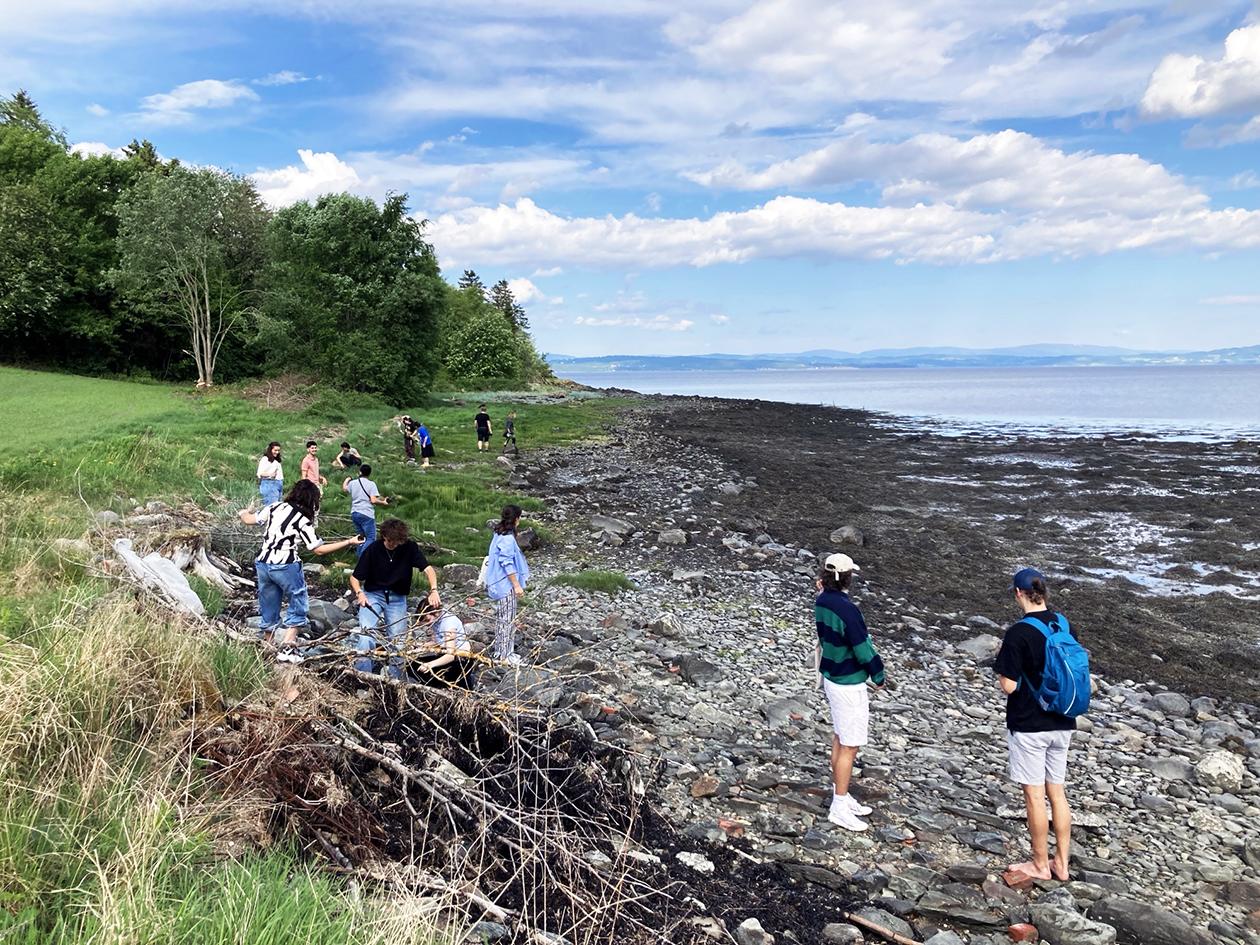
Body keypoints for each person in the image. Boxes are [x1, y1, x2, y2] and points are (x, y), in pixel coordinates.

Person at [994, 567, 1078, 887]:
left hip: (1030, 724)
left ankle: (1041, 864)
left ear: (1018, 593)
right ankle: (1063, 862)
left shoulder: (1019, 633)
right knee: (1057, 791)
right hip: (1063, 720)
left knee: (1034, 795)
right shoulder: (1062, 623)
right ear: (1043, 592)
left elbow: (1010, 686)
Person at [238, 480, 362, 664]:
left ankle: (269, 645)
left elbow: (249, 519)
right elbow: (318, 549)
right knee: (298, 602)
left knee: (268, 602)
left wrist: (243, 512)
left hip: (263, 563)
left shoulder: (274, 507)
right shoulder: (302, 520)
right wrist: (348, 542)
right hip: (286, 564)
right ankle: (289, 644)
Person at [814, 552, 885, 832]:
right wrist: (878, 674)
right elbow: (862, 646)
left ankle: (840, 794)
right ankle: (839, 806)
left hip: (831, 675)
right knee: (850, 745)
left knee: (840, 736)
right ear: (848, 577)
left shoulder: (823, 601)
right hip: (848, 681)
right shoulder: (847, 609)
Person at [349, 518, 441, 678]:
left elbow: (428, 569)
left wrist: (434, 590)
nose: (394, 545)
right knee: (366, 634)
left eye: (397, 542)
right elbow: (354, 578)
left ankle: (396, 680)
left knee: (398, 641)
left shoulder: (409, 548)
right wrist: (359, 593)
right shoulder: (373, 549)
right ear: (384, 536)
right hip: (373, 595)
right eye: (391, 541)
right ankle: (363, 676)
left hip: (397, 598)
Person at [485, 504, 530, 663]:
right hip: (505, 585)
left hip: (497, 583)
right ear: (516, 518)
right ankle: (505, 655)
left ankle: (500, 651)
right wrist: (516, 585)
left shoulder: (498, 533)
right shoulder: (508, 538)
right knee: (507, 619)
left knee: (502, 618)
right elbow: (507, 563)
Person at [413, 602, 477, 688]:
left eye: (427, 620)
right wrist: (420, 647)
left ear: (435, 612)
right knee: (413, 665)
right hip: (446, 653)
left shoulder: (449, 623)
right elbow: (437, 641)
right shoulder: (436, 620)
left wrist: (430, 664)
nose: (427, 623)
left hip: (461, 659)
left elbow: (450, 655)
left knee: (430, 673)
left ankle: (463, 683)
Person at [342, 463, 389, 557]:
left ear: (360, 472)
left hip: (355, 512)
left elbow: (344, 489)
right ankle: (364, 558)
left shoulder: (353, 483)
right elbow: (373, 500)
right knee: (370, 537)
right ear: (369, 473)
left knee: (361, 537)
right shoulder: (371, 484)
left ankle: (359, 558)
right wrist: (383, 502)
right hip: (366, 514)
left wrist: (347, 479)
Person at [300, 440, 328, 520]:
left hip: (317, 484)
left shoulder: (316, 459)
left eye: (315, 448)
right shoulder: (306, 460)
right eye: (312, 448)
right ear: (308, 449)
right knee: (312, 504)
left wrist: (322, 478)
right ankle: (310, 521)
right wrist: (305, 487)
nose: (314, 450)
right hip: (310, 485)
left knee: (317, 504)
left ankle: (315, 521)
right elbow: (304, 475)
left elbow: (315, 472)